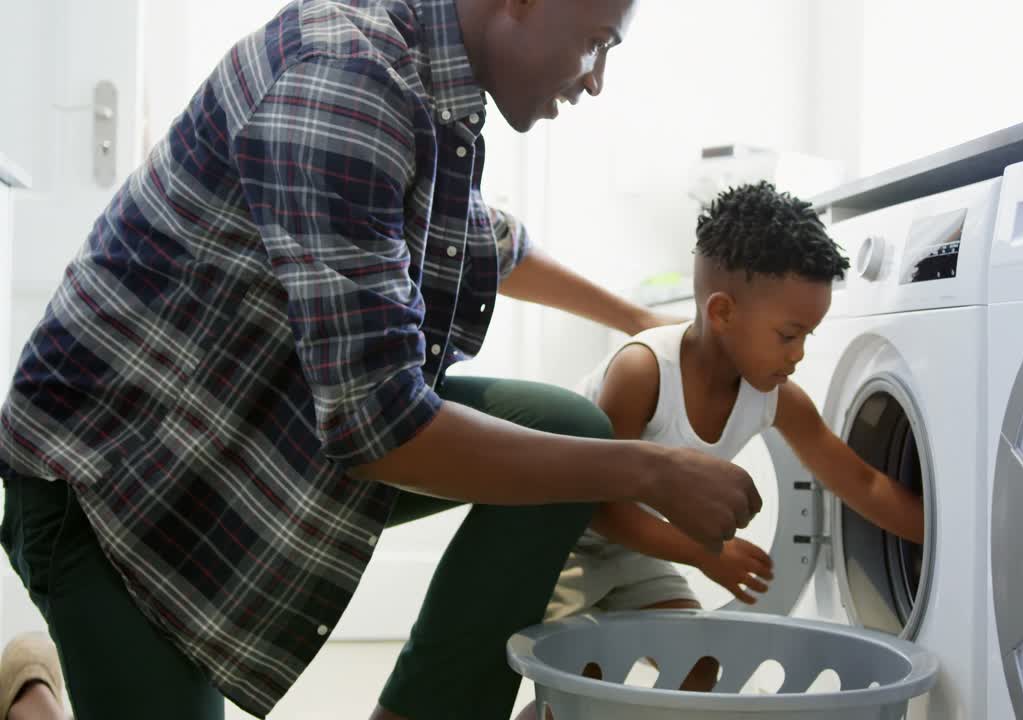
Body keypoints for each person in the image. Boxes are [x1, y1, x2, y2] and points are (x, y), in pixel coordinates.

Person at [0, 1, 762, 719]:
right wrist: (652, 472)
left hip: (258, 423)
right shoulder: (348, 82)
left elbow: (477, 236)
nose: (596, 78)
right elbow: (380, 429)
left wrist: (638, 319)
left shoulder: (426, 77)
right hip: (117, 474)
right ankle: (27, 688)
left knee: (571, 429)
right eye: (597, 41)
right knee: (593, 455)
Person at [538, 181, 925, 693]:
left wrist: (946, 539)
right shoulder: (643, 371)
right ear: (722, 313)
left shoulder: (775, 395)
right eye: (788, 335)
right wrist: (707, 554)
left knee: (699, 669)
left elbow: (858, 480)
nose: (799, 354)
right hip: (560, 540)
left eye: (807, 335)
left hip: (634, 550)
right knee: (580, 681)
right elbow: (601, 509)